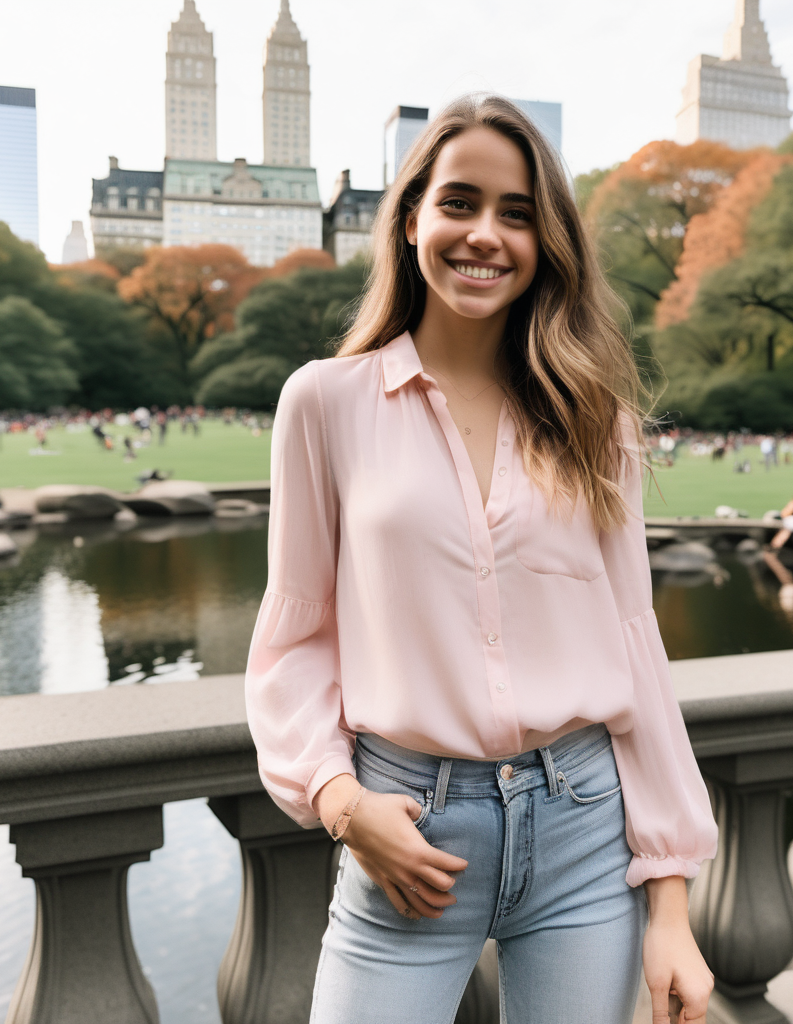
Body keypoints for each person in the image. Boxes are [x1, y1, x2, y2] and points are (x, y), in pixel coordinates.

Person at [244, 96, 717, 1024]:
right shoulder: (324, 403)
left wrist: (670, 903)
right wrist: (342, 801)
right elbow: (295, 634)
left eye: (518, 213)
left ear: (549, 242)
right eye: (460, 202)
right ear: (412, 216)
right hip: (407, 828)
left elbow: (633, 645)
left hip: (584, 828)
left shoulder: (596, 420)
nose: (485, 235)